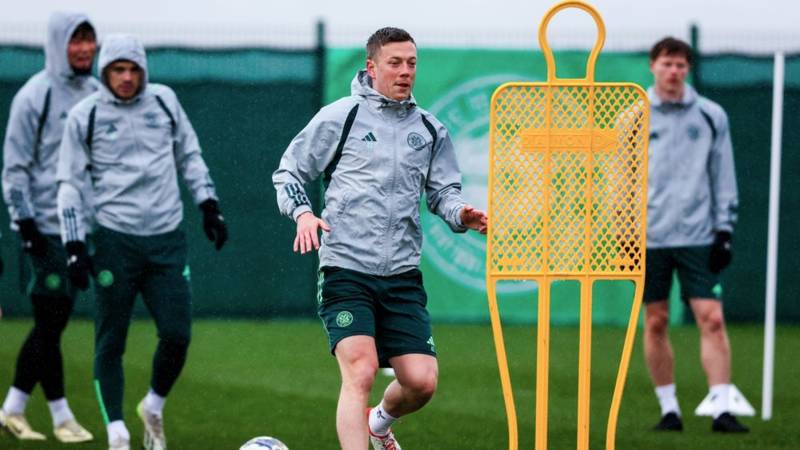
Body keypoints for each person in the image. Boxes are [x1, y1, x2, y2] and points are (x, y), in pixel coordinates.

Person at [274, 27, 487, 450]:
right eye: (395, 62)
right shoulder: (341, 116)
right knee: (362, 371)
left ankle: (380, 422)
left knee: (421, 383)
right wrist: (302, 213)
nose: (405, 71)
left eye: (411, 63)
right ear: (372, 67)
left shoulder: (429, 128)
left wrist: (460, 214)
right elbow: (289, 172)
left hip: (402, 276)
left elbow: (443, 192)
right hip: (346, 269)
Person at [56, 34, 228, 450]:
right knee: (111, 339)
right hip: (115, 240)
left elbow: (189, 154)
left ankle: (152, 405)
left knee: (177, 334)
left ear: (144, 71)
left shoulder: (165, 101)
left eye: (134, 69)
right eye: (118, 69)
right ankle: (117, 431)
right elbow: (68, 184)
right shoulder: (86, 115)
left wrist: (208, 203)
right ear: (105, 71)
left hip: (167, 239)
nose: (127, 77)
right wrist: (74, 245)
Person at [0, 12, 98, 443]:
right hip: (42, 226)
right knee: (51, 319)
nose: (83, 49)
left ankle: (44, 414)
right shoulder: (33, 96)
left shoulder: (97, 93)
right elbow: (14, 170)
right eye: (74, 41)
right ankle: (21, 410)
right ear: (58, 44)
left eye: (88, 41)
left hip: (81, 229)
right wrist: (25, 227)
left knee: (52, 321)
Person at [644, 37, 747, 433]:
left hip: (698, 233)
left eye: (681, 65)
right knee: (656, 320)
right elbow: (621, 177)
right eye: (667, 63)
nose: (674, 71)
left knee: (712, 318)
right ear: (653, 66)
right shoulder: (634, 116)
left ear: (688, 70)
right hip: (648, 236)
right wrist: (621, 228)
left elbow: (724, 174)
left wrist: (725, 229)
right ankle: (669, 408)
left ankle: (721, 407)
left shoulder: (711, 115)